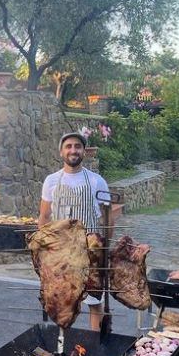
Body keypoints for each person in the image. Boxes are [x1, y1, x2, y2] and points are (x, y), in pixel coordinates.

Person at [38, 131, 111, 330]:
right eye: (68, 146)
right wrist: (44, 251)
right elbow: (44, 217)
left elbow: (108, 218)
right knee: (62, 300)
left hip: (90, 254)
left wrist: (104, 251)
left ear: (84, 152)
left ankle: (95, 343)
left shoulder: (97, 181)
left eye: (77, 146)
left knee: (94, 302)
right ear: (61, 152)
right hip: (61, 254)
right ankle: (62, 346)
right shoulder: (51, 181)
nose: (73, 150)